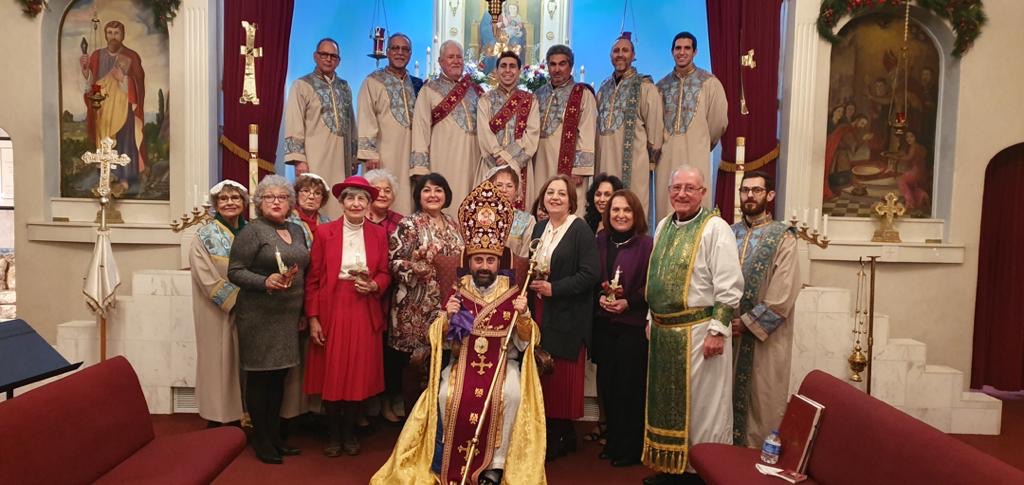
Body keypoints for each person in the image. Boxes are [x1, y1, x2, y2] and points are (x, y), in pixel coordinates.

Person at [371, 180, 546, 485]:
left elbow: (524, 341)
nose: (483, 266)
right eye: (478, 260)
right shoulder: (457, 291)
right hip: (462, 361)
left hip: (504, 365)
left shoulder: (513, 292)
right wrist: (446, 317)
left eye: (490, 260)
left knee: (512, 393)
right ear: (469, 261)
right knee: (444, 393)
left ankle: (497, 464)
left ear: (498, 262)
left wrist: (524, 315)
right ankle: (447, 456)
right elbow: (440, 339)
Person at [642, 166, 743, 484]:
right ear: (669, 191)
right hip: (663, 333)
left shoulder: (715, 228)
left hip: (699, 334)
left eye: (690, 188)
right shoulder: (663, 226)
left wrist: (718, 330)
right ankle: (671, 468)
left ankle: (699, 473)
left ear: (703, 193)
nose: (682, 194)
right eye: (676, 188)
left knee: (702, 409)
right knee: (664, 405)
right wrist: (650, 317)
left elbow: (729, 284)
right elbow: (655, 279)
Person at [304, 176, 391, 457]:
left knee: (357, 371)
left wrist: (375, 284)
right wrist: (314, 317)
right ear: (342, 203)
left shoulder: (379, 234)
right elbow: (313, 279)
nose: (356, 203)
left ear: (368, 204)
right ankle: (332, 433)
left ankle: (350, 431)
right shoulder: (324, 232)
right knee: (332, 370)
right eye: (350, 198)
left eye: (361, 199)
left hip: (363, 305)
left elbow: (385, 273)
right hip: (332, 305)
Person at [228, 175, 310, 464]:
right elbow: (235, 271)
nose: (276, 202)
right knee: (261, 379)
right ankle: (261, 441)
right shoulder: (252, 231)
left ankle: (275, 436)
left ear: (290, 203)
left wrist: (302, 312)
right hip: (259, 316)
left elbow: (304, 272)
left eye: (282, 197)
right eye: (269, 197)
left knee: (279, 378)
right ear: (259, 202)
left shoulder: (297, 230)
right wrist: (265, 282)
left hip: (287, 317)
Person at [528, 174, 600, 461]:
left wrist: (554, 288)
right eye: (550, 192)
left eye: (561, 193)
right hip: (541, 310)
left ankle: (562, 434)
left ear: (571, 200)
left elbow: (590, 274)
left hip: (568, 314)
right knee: (543, 374)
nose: (555, 197)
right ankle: (550, 431)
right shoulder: (540, 227)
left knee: (562, 378)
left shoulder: (580, 229)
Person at [730, 171, 800, 449]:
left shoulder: (783, 237)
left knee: (762, 399)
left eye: (756, 190)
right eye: (745, 190)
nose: (750, 196)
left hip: (764, 338)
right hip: (728, 334)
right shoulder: (728, 233)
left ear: (769, 196)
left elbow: (784, 293)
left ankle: (755, 462)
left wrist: (748, 322)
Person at [387, 173, 464, 414]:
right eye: (427, 190)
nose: (433, 195)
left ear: (446, 195)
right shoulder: (409, 224)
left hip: (447, 305)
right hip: (415, 308)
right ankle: (413, 421)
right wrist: (415, 268)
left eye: (438, 190)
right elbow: (394, 262)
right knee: (416, 365)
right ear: (419, 196)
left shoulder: (454, 224)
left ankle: (436, 419)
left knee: (443, 362)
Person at [594, 189, 653, 467]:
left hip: (632, 327)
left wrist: (628, 303)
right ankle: (614, 440)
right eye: (615, 210)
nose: (620, 215)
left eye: (626, 210)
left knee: (629, 388)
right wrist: (600, 296)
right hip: (604, 326)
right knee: (608, 385)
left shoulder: (647, 245)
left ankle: (630, 448)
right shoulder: (600, 241)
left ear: (636, 214)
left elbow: (651, 285)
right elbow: (593, 277)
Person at [189, 180, 247, 427]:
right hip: (217, 309)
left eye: (235, 198)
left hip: (251, 311)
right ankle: (218, 418)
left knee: (243, 364)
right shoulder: (205, 234)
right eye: (224, 199)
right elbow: (205, 275)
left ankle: (245, 414)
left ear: (244, 202)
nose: (230, 202)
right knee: (218, 362)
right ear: (215, 205)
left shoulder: (252, 231)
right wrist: (236, 301)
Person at [655, 32, 728, 217]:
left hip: (697, 155)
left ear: (695, 52)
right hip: (667, 158)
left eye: (687, 48)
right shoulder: (661, 86)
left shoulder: (709, 83)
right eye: (678, 48)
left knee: (697, 206)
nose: (682, 52)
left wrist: (701, 142)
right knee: (667, 208)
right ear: (672, 52)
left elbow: (718, 122)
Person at [284, 38, 357, 218]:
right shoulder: (302, 85)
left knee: (340, 199)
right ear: (315, 56)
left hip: (342, 157)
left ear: (338, 60)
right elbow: (294, 122)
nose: (328, 59)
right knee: (315, 198)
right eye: (324, 54)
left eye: (333, 56)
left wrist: (354, 156)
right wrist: (299, 159)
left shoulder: (344, 87)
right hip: (314, 156)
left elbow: (351, 121)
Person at [410, 40, 483, 212]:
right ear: (440, 61)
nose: (456, 61)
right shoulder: (429, 90)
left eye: (459, 57)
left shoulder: (475, 91)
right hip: (443, 160)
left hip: (474, 162)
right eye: (451, 57)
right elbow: (420, 129)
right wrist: (420, 169)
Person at [596, 33, 664, 214]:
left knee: (632, 209)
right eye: (616, 51)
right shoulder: (603, 89)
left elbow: (655, 127)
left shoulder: (644, 87)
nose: (620, 54)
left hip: (634, 165)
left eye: (625, 50)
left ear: (633, 56)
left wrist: (651, 161)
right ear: (611, 56)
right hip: (604, 160)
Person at [357, 33, 423, 215]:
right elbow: (365, 115)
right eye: (395, 48)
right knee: (381, 197)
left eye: (405, 49)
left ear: (410, 54)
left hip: (410, 156)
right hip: (382, 155)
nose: (400, 53)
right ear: (387, 52)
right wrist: (370, 153)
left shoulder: (416, 85)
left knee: (406, 201)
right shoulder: (373, 81)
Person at [79, 21, 146, 188]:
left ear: (122, 35)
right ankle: (106, 176)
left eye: (116, 33)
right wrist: (86, 71)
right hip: (103, 108)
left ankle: (124, 178)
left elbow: (139, 84)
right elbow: (91, 83)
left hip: (124, 106)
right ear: (105, 35)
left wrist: (123, 79)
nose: (113, 37)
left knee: (124, 140)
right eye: (109, 33)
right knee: (105, 141)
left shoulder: (131, 56)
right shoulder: (96, 56)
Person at [363, 168, 405, 424]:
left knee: (390, 354)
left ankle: (388, 402)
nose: (382, 193)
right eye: (377, 189)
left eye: (387, 189)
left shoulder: (401, 221)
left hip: (394, 295)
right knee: (365, 352)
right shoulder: (357, 217)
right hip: (363, 293)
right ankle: (364, 406)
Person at [532, 44, 596, 211]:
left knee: (569, 209)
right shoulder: (538, 95)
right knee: (540, 204)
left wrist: (579, 169)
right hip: (539, 162)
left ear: (571, 66)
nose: (557, 69)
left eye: (562, 64)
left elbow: (587, 132)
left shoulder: (582, 94)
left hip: (569, 167)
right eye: (552, 64)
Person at [476, 51, 540, 203]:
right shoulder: (485, 99)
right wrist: (499, 156)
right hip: (491, 163)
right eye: (503, 66)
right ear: (496, 71)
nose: (507, 70)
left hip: (521, 165)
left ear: (519, 71)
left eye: (512, 66)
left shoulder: (530, 100)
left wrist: (509, 159)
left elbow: (532, 134)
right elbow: (484, 133)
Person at [486, 165, 536, 258]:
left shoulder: (527, 221)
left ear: (516, 190)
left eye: (509, 186)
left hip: (513, 271)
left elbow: (525, 258)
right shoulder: (478, 216)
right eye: (499, 185)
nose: (504, 190)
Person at [287, 173, 331, 247]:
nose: (311, 197)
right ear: (296, 194)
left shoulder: (327, 222)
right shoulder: (287, 220)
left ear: (322, 198)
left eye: (317, 193)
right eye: (306, 191)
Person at [364, 168, 405, 237]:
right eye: (377, 190)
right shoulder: (358, 218)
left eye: (387, 191)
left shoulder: (400, 221)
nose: (382, 195)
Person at [898, 131, 929, 213]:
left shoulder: (914, 147)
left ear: (916, 138)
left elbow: (909, 158)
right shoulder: (919, 147)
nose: (909, 139)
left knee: (902, 180)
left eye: (911, 136)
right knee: (909, 184)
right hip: (920, 171)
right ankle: (921, 195)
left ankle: (910, 203)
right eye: (907, 137)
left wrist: (898, 157)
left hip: (916, 171)